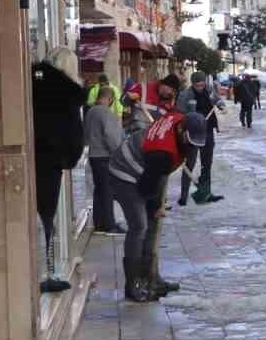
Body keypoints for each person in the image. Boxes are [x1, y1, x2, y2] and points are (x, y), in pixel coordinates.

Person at [111, 109, 207, 301]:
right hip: (124, 172)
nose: (191, 146)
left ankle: (151, 278)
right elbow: (147, 187)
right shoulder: (162, 152)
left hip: (147, 167)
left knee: (152, 224)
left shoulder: (178, 118)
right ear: (181, 130)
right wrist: (156, 206)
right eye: (190, 140)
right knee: (139, 226)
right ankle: (133, 285)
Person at [32, 48, 88, 294]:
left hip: (32, 157)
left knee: (36, 216)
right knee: (46, 216)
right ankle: (45, 273)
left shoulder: (34, 80)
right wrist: (67, 158)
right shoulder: (67, 93)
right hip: (50, 162)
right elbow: (74, 134)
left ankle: (42, 270)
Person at [176, 72, 224, 205]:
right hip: (193, 133)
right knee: (189, 164)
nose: (200, 87)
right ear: (192, 84)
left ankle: (205, 194)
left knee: (206, 163)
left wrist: (221, 105)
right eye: (197, 85)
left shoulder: (209, 90)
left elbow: (217, 99)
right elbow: (179, 113)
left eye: (202, 84)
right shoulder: (185, 95)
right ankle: (183, 197)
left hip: (207, 130)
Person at [83, 84, 125, 234]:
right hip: (105, 156)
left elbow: (87, 134)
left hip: (93, 155)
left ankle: (99, 223)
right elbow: (111, 136)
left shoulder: (90, 112)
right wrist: (118, 152)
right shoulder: (106, 113)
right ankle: (109, 224)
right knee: (107, 191)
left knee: (99, 190)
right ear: (109, 98)